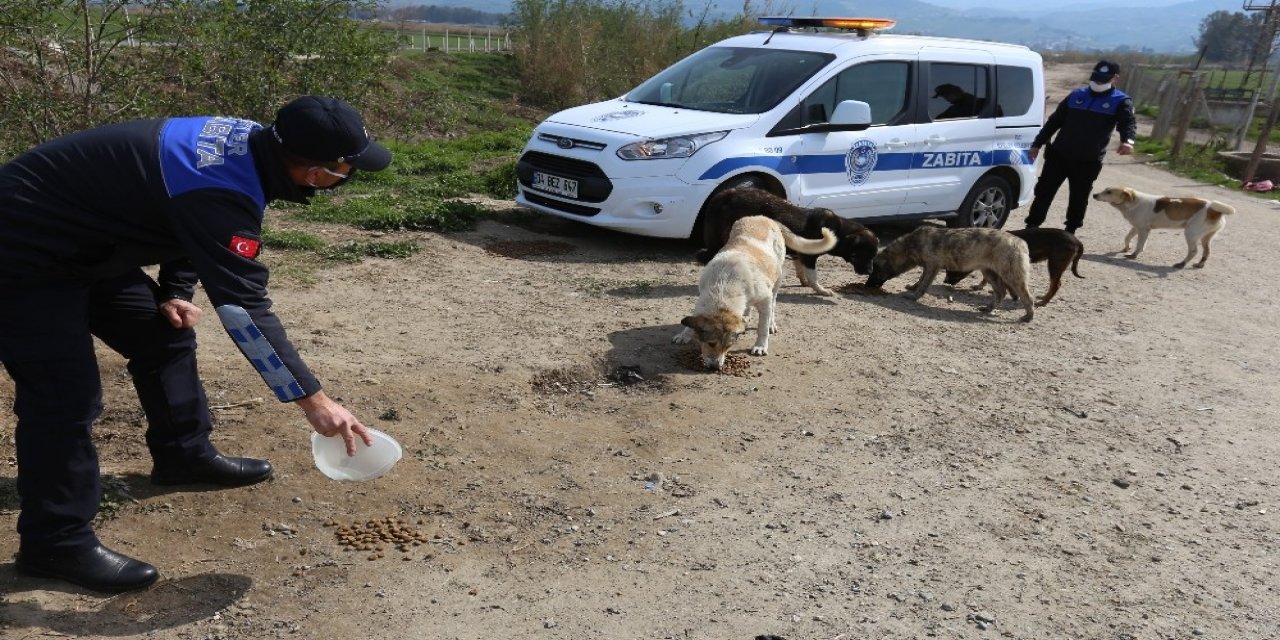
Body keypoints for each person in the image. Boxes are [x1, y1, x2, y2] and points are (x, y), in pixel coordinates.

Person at [0, 95, 392, 593]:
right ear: (317, 172)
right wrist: (312, 400)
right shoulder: (222, 190)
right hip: (20, 250)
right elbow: (243, 309)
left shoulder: (255, 144)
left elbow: (182, 215)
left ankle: (182, 454)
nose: (347, 177)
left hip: (86, 243)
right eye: (346, 170)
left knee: (164, 335)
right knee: (64, 397)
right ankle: (54, 543)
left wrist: (175, 291)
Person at [1024, 60, 1137, 234]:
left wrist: (1127, 141)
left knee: (1079, 197)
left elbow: (1128, 123)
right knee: (1044, 192)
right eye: (1096, 78)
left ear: (1115, 79)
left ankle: (1070, 231)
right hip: (1059, 155)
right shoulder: (1076, 95)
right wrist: (1037, 144)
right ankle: (1032, 227)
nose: (1098, 82)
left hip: (1087, 160)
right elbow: (1054, 122)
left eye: (1103, 79)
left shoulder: (1121, 101)